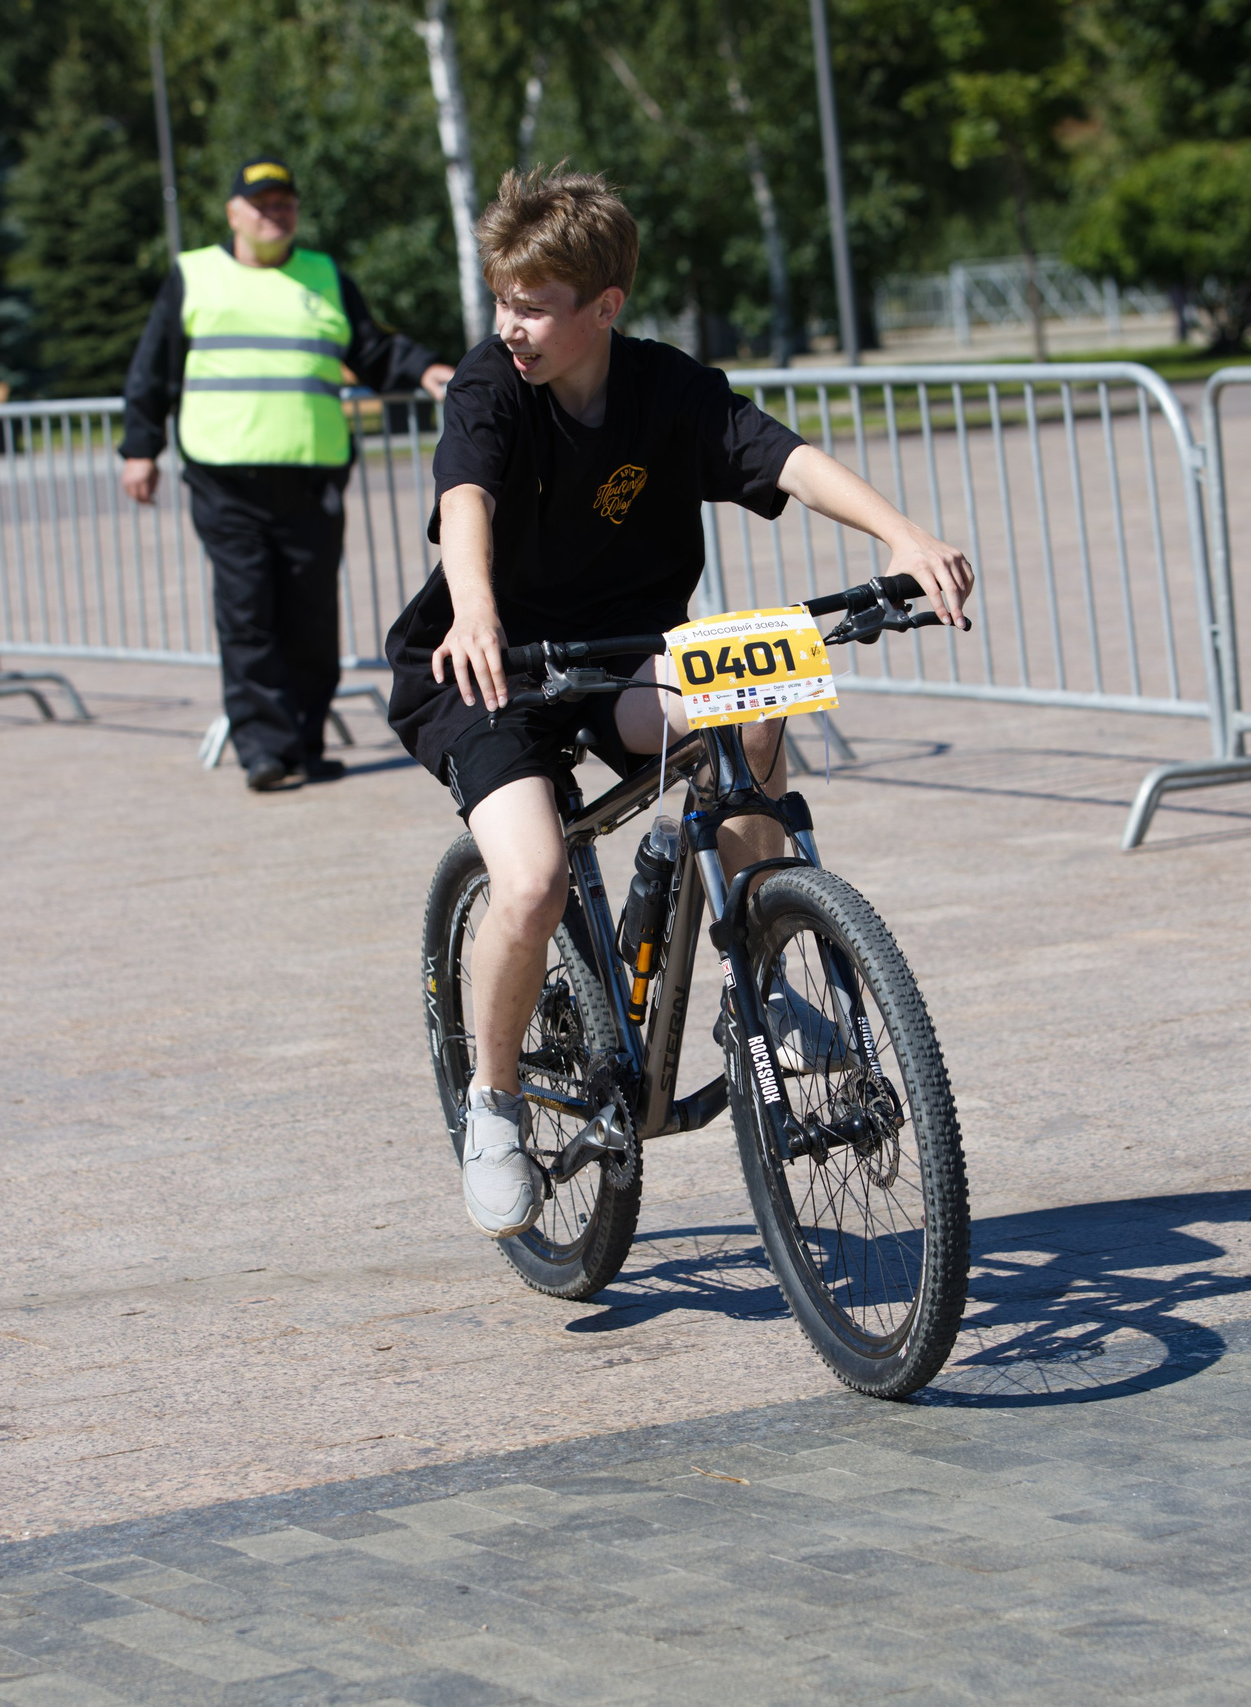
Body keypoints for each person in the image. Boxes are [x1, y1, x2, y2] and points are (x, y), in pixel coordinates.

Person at [384, 168, 973, 1239]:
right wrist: (473, 612)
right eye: (503, 301)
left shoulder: (665, 388)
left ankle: (763, 970)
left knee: (753, 693)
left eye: (534, 307)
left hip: (621, 655)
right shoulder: (489, 386)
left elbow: (784, 458)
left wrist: (902, 536)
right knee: (534, 879)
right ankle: (495, 1106)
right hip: (488, 668)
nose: (511, 326)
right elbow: (463, 496)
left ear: (605, 307)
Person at [120, 157, 455, 792]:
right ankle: (265, 751)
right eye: (262, 203)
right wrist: (141, 448)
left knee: (311, 621)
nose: (275, 212)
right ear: (233, 213)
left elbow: (373, 346)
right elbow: (151, 370)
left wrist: (423, 368)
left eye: (285, 202)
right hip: (227, 480)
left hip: (312, 480)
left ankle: (306, 744)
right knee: (248, 614)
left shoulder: (324, 275)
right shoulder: (195, 274)